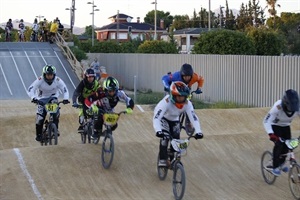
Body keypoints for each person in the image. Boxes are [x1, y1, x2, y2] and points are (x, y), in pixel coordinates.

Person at [153, 81, 204, 167]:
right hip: (163, 118)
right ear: (173, 95)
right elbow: (156, 118)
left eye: (183, 97)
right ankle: (162, 159)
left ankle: (172, 158)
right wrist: (158, 131)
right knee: (165, 138)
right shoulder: (166, 102)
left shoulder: (187, 104)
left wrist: (198, 131)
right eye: (179, 97)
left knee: (176, 139)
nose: (181, 99)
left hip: (175, 119)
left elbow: (193, 117)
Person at [27, 64, 70, 142]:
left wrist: (66, 98)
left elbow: (65, 89)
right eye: (48, 75)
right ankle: (39, 134)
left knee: (55, 113)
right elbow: (30, 89)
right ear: (44, 74)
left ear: (54, 74)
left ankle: (55, 129)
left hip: (53, 97)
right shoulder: (40, 80)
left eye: (51, 74)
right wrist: (33, 98)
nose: (50, 76)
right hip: (41, 99)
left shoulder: (57, 80)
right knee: (40, 118)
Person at [263, 89, 300, 176]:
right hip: (275, 126)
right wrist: (271, 134)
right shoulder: (277, 107)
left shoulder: (297, 107)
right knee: (279, 144)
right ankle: (275, 166)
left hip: (286, 126)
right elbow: (266, 120)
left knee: (288, 145)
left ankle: (281, 163)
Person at [162, 63, 205, 133]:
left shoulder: (194, 76)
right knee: (169, 104)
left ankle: (188, 122)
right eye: (185, 76)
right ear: (181, 75)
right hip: (173, 91)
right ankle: (165, 119)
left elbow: (201, 79)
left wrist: (199, 88)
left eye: (189, 77)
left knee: (190, 104)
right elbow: (164, 78)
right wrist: (167, 87)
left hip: (184, 92)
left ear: (191, 75)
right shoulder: (176, 76)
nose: (187, 78)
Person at [72, 68, 100, 132]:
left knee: (96, 113)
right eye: (89, 77)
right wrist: (74, 102)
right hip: (82, 100)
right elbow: (76, 93)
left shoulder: (96, 83)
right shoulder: (83, 83)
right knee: (82, 116)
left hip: (92, 100)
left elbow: (100, 91)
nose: (91, 78)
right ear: (86, 77)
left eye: (92, 77)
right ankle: (82, 125)